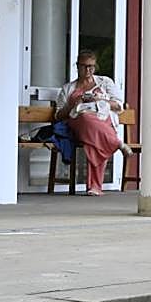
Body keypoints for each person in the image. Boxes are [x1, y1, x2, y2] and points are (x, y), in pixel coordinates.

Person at [54, 49, 131, 196]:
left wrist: (100, 100)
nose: (88, 70)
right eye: (84, 66)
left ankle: (95, 188)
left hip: (102, 121)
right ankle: (117, 143)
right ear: (77, 66)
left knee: (94, 141)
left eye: (91, 66)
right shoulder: (68, 88)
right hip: (78, 122)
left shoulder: (105, 82)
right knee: (85, 118)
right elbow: (58, 115)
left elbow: (118, 106)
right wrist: (73, 104)